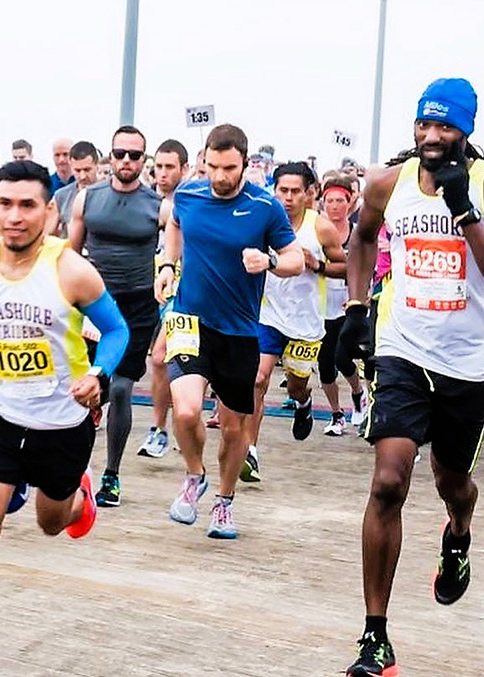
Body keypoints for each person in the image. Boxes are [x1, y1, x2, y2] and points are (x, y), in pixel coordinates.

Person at [339, 78, 484, 676]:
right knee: (388, 482)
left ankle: (459, 533)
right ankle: (375, 637)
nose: (431, 137)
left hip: (469, 365)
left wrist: (466, 214)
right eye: (424, 124)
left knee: (453, 480)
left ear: (466, 130)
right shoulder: (385, 183)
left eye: (445, 127)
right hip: (402, 352)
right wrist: (356, 308)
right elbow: (362, 238)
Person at [0, 160, 127, 676]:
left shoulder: (71, 270)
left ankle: (77, 498)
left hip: (62, 422)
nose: (14, 217)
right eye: (6, 204)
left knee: (50, 523)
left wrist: (100, 375)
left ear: (49, 211)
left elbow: (116, 332)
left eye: (27, 206)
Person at [155, 123, 302, 540]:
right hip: (188, 319)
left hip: (238, 330)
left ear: (244, 163)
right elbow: (175, 226)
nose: (220, 176)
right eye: (214, 166)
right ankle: (194, 475)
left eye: (230, 168)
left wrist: (269, 262)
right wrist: (168, 265)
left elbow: (295, 259)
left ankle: (224, 500)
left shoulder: (264, 207)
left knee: (235, 427)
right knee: (185, 411)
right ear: (204, 159)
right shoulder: (188, 193)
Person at [68, 125, 165, 507]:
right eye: (120, 154)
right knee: (86, 391)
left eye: (134, 155)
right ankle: (77, 468)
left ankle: (111, 474)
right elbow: (71, 254)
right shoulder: (86, 199)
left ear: (145, 160)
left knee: (122, 387)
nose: (126, 161)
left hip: (137, 307)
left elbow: (176, 250)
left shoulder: (159, 205)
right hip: (92, 304)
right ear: (109, 157)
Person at [244, 162, 346, 482]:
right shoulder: (263, 221)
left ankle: (303, 403)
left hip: (305, 320)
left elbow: (346, 266)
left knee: (297, 382)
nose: (288, 198)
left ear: (309, 192)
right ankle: (250, 452)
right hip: (267, 313)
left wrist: (317, 265)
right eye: (282, 191)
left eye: (295, 191)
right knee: (258, 380)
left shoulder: (321, 228)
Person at [140, 139, 189, 458]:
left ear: (184, 169)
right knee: (157, 363)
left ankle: (162, 430)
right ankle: (161, 428)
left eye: (170, 167)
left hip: (184, 292)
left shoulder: (191, 202)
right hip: (149, 290)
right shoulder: (144, 201)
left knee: (160, 359)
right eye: (158, 166)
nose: (162, 173)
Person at [317, 176, 368, 435]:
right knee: (325, 365)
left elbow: (368, 266)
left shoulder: (359, 233)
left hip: (350, 305)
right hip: (321, 306)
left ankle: (358, 393)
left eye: (340, 201)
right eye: (330, 201)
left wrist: (360, 295)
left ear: (351, 203)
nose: (335, 206)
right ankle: (337, 414)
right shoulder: (317, 231)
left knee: (342, 355)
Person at [46, 140, 98, 238]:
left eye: (87, 170)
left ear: (96, 165)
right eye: (77, 171)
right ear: (71, 166)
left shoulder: (110, 193)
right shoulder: (60, 197)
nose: (82, 176)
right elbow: (47, 234)